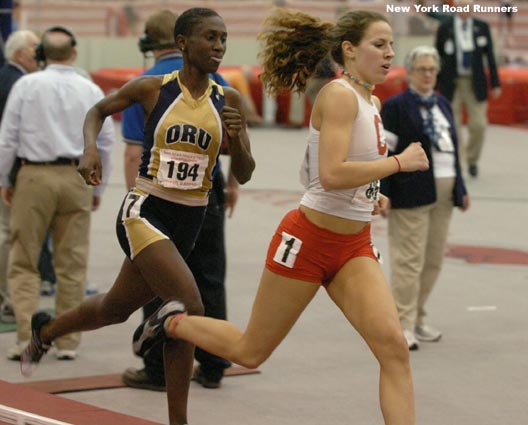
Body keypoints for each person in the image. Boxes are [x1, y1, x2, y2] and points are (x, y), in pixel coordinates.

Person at [136, 8, 429, 424]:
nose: (389, 53)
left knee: (394, 348)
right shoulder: (339, 95)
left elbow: (334, 170)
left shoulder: (371, 99)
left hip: (353, 245)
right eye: (379, 45)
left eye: (391, 46)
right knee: (250, 350)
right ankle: (172, 323)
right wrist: (397, 164)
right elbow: (330, 175)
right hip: (308, 241)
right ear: (349, 50)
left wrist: (371, 193)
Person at [20, 8, 255, 425]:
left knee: (114, 308)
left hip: (191, 220)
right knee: (189, 306)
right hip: (144, 211)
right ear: (183, 43)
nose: (219, 47)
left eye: (223, 39)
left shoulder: (228, 99)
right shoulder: (152, 89)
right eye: (209, 38)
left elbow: (245, 172)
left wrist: (238, 139)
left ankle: (46, 333)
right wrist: (89, 149)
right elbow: (97, 111)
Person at [120, 9, 236, 391]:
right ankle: (214, 362)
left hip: (158, 200)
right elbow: (234, 137)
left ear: (150, 43)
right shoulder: (215, 78)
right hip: (208, 194)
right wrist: (232, 183)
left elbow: (134, 149)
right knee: (209, 277)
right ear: (183, 40)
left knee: (159, 283)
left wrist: (135, 202)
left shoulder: (149, 84)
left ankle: (158, 368)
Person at [0, 26, 115, 359]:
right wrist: (98, 185)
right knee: (72, 263)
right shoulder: (90, 88)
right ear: (75, 54)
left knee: (24, 260)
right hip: (76, 177)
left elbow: (8, 138)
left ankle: (26, 338)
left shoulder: (26, 85)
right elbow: (104, 142)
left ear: (41, 55)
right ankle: (67, 342)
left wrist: (5, 181)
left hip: (33, 176)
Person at [379, 46, 470, 350]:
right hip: (411, 190)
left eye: (432, 69)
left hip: (445, 190)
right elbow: (385, 152)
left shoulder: (443, 103)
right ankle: (401, 324)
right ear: (409, 72)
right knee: (409, 261)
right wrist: (384, 191)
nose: (429, 74)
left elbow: (454, 149)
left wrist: (461, 189)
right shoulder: (395, 106)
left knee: (432, 260)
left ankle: (418, 317)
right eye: (422, 69)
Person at [435, 0, 501, 177]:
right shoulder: (445, 27)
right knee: (452, 125)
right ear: (456, 7)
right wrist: (434, 84)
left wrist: (495, 83)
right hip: (451, 83)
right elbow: (438, 56)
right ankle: (458, 161)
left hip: (475, 82)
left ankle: (472, 158)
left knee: (479, 124)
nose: (466, 10)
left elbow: (490, 57)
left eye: (469, 6)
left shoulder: (482, 27)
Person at [0, 29, 40, 325]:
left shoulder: (7, 77)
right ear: (18, 54)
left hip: (9, 167)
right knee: (11, 237)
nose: (39, 55)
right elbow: (11, 136)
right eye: (34, 49)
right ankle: (10, 297)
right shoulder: (20, 83)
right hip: (14, 170)